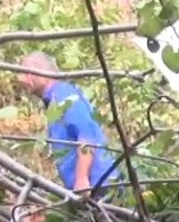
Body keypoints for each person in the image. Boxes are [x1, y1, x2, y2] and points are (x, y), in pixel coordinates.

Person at [16, 52, 120, 196]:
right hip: (92, 185)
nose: (21, 79)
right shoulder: (54, 100)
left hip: (98, 184)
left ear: (42, 71)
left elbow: (87, 134)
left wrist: (81, 179)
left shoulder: (64, 95)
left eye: (27, 72)